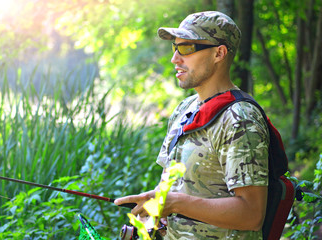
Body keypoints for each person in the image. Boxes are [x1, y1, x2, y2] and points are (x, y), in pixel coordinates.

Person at [115, 11, 269, 239]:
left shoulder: (240, 118)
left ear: (219, 53)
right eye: (175, 48)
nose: (175, 59)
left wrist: (176, 203)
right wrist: (155, 203)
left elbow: (252, 214)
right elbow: (171, 187)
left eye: (186, 48)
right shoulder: (184, 110)